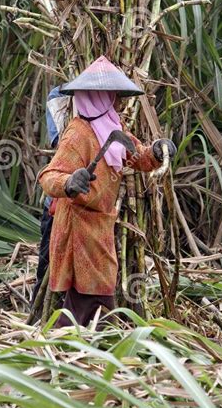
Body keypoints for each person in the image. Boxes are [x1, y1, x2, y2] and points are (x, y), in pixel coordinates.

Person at [37, 56, 176, 327]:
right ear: (97, 96)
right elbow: (48, 176)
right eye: (110, 95)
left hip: (100, 223)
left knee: (98, 288)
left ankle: (83, 340)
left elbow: (140, 156)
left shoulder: (112, 127)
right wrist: (69, 182)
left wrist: (158, 151)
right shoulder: (77, 133)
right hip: (77, 224)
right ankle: (76, 342)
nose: (116, 101)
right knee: (91, 293)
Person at [31, 86, 70, 304]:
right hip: (60, 204)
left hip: (101, 208)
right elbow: (61, 144)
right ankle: (39, 314)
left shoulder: (119, 103)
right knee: (48, 264)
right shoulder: (61, 95)